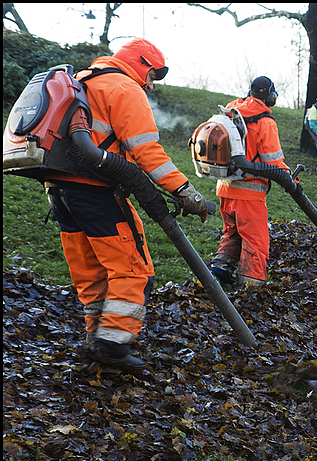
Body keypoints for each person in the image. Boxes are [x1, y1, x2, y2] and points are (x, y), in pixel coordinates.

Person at [44, 38, 209, 371]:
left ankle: (96, 337)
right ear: (141, 63)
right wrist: (184, 190)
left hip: (60, 191)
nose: (151, 84)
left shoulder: (82, 80)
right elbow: (147, 152)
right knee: (133, 270)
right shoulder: (124, 88)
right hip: (97, 192)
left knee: (91, 271)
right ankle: (112, 345)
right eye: (152, 75)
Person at [209, 76, 291, 289]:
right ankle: (250, 288)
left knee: (232, 232)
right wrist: (292, 179)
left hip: (225, 188)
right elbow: (273, 163)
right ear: (270, 96)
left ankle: (220, 268)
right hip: (249, 193)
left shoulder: (231, 111)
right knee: (255, 241)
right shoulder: (265, 122)